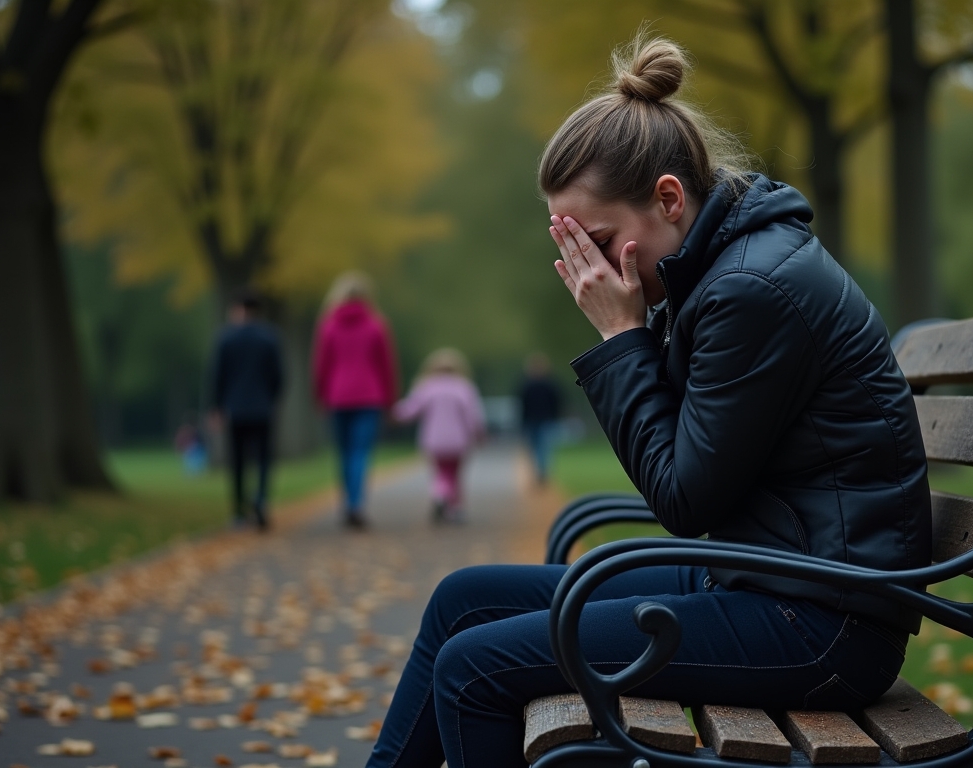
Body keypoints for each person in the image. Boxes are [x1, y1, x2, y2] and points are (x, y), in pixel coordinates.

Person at [364, 34, 930, 768]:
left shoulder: (751, 290)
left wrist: (621, 336)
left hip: (821, 624)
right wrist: (634, 333)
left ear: (668, 198)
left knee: (476, 668)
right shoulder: (720, 270)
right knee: (461, 602)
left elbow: (682, 498)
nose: (591, 268)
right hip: (768, 577)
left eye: (598, 241)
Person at [313, 272, 399, 529]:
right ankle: (356, 503)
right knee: (360, 452)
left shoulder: (328, 324)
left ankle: (347, 502)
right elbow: (387, 365)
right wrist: (390, 400)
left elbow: (321, 365)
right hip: (370, 396)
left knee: (343, 452)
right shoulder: (377, 324)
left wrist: (319, 394)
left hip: (338, 395)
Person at [210, 292, 284, 531]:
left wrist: (216, 407)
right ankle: (261, 499)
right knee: (263, 458)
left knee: (238, 461)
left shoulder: (226, 339)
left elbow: (217, 376)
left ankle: (239, 511)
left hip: (236, 409)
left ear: (238, 309)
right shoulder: (270, 339)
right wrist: (271, 399)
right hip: (262, 408)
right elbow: (278, 376)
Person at [391, 348, 485, 524]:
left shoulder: (426, 387)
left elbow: (409, 410)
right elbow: (473, 415)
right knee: (455, 474)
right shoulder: (464, 388)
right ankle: (453, 508)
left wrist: (391, 412)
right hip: (459, 441)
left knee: (441, 473)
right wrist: (479, 434)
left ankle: (440, 496)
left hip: (433, 441)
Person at [517, 353, 562, 486]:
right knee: (540, 447)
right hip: (538, 420)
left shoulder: (528, 384)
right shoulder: (548, 384)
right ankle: (541, 472)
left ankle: (541, 472)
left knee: (540, 447)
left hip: (540, 420)